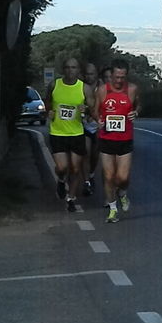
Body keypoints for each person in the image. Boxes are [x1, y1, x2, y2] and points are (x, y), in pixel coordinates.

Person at [45, 58, 95, 212]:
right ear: (63, 69)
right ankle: (61, 180)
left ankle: (71, 198)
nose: (70, 70)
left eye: (73, 67)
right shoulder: (55, 84)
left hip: (76, 133)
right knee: (62, 167)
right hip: (57, 132)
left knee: (74, 168)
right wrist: (49, 112)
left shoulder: (84, 88)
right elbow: (47, 101)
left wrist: (85, 110)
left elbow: (92, 109)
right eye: (67, 67)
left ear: (78, 70)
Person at [93, 59, 140, 223]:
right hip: (106, 138)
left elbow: (137, 105)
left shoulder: (132, 89)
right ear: (111, 75)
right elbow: (95, 109)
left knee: (123, 178)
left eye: (122, 77)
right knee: (108, 176)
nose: (119, 80)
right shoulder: (102, 90)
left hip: (125, 139)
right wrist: (97, 119)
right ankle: (113, 209)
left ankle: (122, 194)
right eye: (116, 77)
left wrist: (136, 113)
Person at [81, 63, 101, 196]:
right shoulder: (80, 87)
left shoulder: (103, 87)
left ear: (96, 74)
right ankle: (86, 182)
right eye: (87, 74)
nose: (89, 76)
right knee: (86, 153)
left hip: (98, 126)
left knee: (95, 155)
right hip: (84, 125)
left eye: (92, 73)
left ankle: (92, 174)